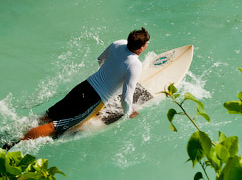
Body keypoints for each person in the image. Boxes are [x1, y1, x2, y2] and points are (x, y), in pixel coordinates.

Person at [17, 27, 149, 142]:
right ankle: (16, 143)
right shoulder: (135, 65)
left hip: (85, 86)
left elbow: (100, 59)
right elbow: (126, 97)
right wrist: (128, 113)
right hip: (93, 101)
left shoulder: (118, 43)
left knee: (50, 114)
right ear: (141, 48)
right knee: (55, 126)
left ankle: (17, 128)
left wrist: (107, 75)